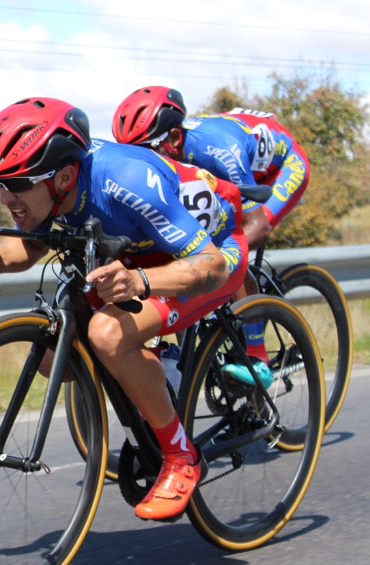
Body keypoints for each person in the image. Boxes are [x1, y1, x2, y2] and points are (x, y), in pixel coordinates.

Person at [0, 97, 250, 521]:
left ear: (64, 176)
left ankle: (180, 457)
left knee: (108, 333)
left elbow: (209, 265)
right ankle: (159, 372)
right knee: (54, 360)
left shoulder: (127, 181)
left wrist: (140, 282)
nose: (6, 197)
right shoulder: (54, 188)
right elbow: (31, 246)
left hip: (212, 252)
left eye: (17, 183)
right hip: (144, 253)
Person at [112, 85, 311, 388]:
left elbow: (255, 223)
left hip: (279, 168)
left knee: (237, 244)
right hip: (230, 165)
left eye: (147, 152)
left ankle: (257, 355)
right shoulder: (166, 157)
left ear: (174, 139)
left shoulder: (218, 151)